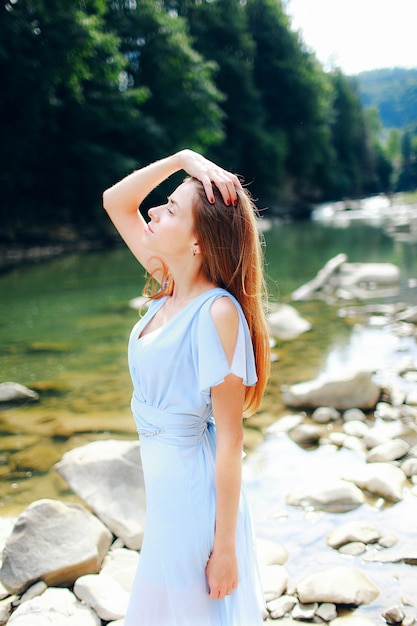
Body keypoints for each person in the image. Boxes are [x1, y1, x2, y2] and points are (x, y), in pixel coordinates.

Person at [102, 149, 270, 626]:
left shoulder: (216, 312)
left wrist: (225, 549)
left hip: (194, 501)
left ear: (198, 242)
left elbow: (232, 440)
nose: (153, 211)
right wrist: (183, 160)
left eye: (171, 208)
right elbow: (116, 201)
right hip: (166, 494)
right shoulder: (170, 284)